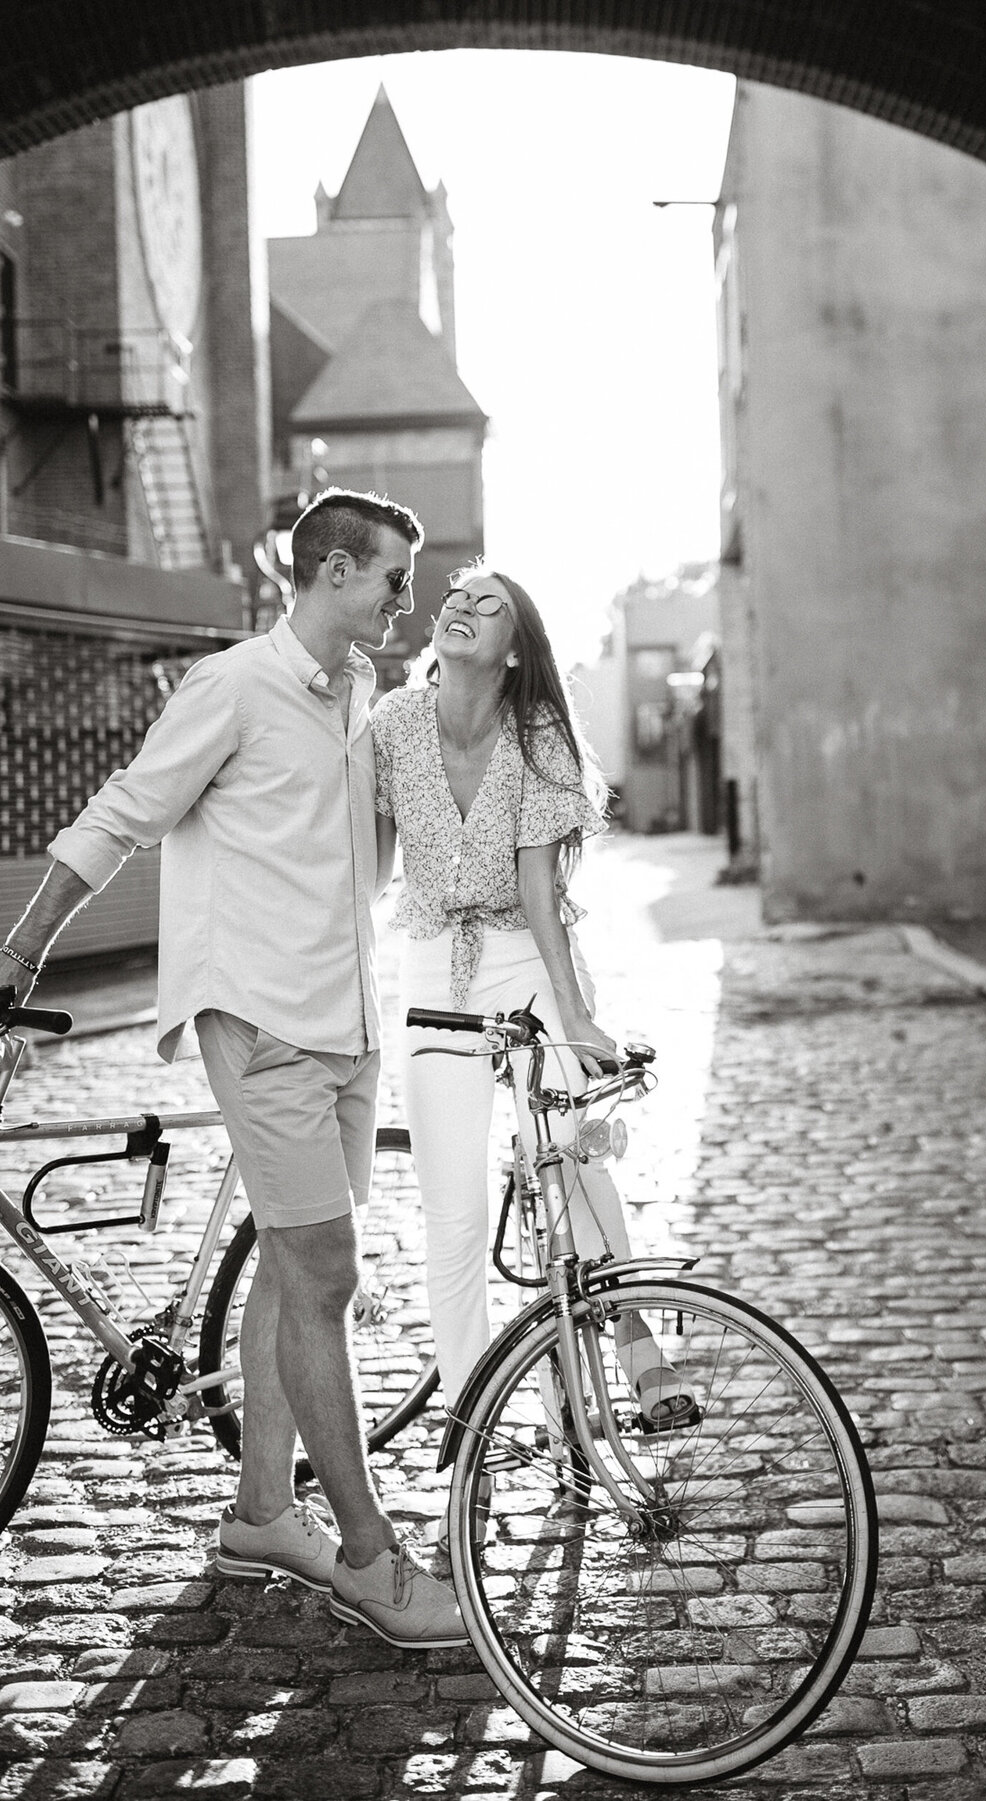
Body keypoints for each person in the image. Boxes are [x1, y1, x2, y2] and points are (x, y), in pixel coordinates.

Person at [0, 489, 467, 1650]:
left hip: (346, 1020)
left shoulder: (363, 696)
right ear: (334, 572)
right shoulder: (232, 685)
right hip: (259, 1015)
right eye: (393, 578)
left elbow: (365, 867)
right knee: (326, 1275)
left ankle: (261, 1516)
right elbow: (121, 816)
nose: (405, 600)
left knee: (289, 1279)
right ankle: (372, 1562)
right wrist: (18, 950)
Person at [373, 563, 695, 1544]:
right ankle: (474, 1423)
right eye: (456, 597)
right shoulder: (390, 726)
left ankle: (605, 1366)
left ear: (514, 644)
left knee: (566, 1155)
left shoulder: (538, 731)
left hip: (520, 956)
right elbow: (364, 866)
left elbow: (540, 895)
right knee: (456, 1214)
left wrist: (578, 1013)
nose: (462, 608)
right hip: (430, 972)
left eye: (490, 604)